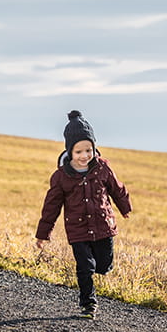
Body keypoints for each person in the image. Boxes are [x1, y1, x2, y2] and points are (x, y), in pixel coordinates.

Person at [35, 110, 132, 318]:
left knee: (103, 265)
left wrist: (124, 207)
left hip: (103, 226)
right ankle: (88, 304)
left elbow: (116, 188)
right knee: (85, 267)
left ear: (94, 149)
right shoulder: (61, 177)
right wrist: (43, 234)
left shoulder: (102, 168)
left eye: (89, 150)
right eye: (79, 151)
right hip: (77, 229)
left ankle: (100, 269)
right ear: (70, 152)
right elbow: (51, 206)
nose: (84, 156)